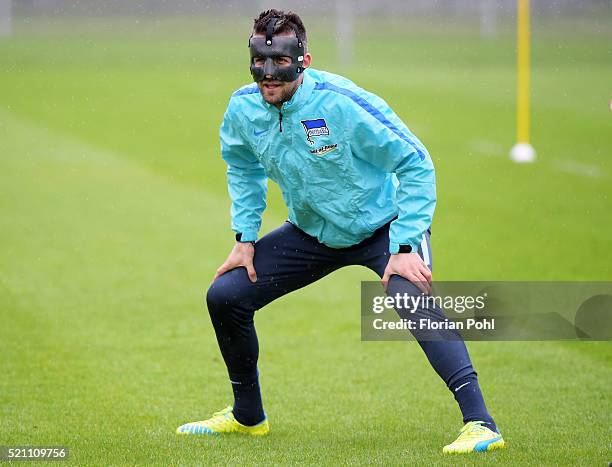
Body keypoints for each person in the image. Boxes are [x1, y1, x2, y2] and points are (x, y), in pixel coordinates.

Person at [176, 9, 505, 454]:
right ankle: (248, 417)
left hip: (384, 226)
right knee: (226, 295)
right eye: (260, 63)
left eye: (281, 64)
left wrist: (405, 245)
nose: (269, 75)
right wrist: (244, 239)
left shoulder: (342, 104)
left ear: (304, 61)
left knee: (407, 294)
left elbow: (415, 162)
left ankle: (481, 425)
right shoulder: (244, 107)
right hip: (314, 233)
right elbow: (242, 166)